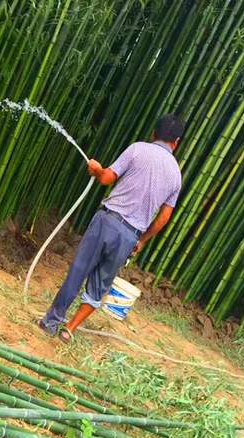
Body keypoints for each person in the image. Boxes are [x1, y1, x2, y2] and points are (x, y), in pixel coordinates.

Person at [38, 114, 184, 342]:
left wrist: (96, 169)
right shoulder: (176, 174)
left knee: (78, 272)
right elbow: (164, 217)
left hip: (107, 221)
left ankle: (51, 323)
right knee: (99, 286)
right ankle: (70, 329)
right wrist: (143, 239)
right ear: (177, 142)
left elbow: (107, 178)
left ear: (154, 134)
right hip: (129, 236)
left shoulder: (137, 149)